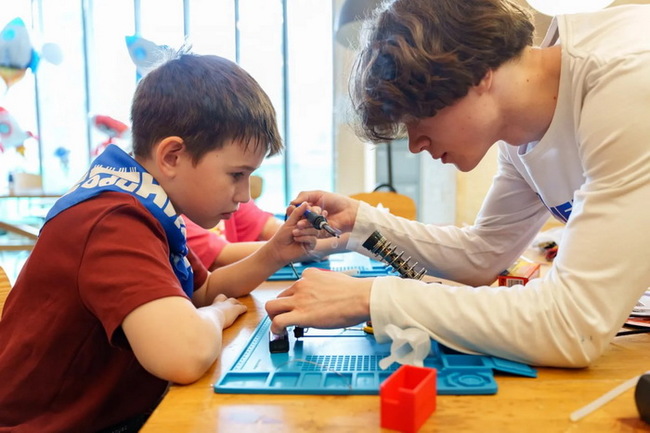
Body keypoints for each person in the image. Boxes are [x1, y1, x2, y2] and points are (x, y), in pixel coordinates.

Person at [267, 0, 650, 368]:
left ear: (479, 73)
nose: (415, 144)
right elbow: (483, 256)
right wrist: (362, 223)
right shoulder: (519, 134)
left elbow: (572, 326)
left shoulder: (628, 78)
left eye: (418, 117)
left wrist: (372, 298)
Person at [0, 50, 320, 432]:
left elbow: (203, 290)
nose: (244, 195)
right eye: (236, 174)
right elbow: (184, 355)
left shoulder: (147, 204)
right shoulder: (113, 220)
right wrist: (217, 315)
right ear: (172, 156)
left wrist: (275, 252)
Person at [185, 200, 348, 270]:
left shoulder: (233, 200)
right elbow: (222, 257)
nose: (245, 195)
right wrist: (340, 241)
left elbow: (272, 228)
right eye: (236, 174)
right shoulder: (176, 220)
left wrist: (309, 231)